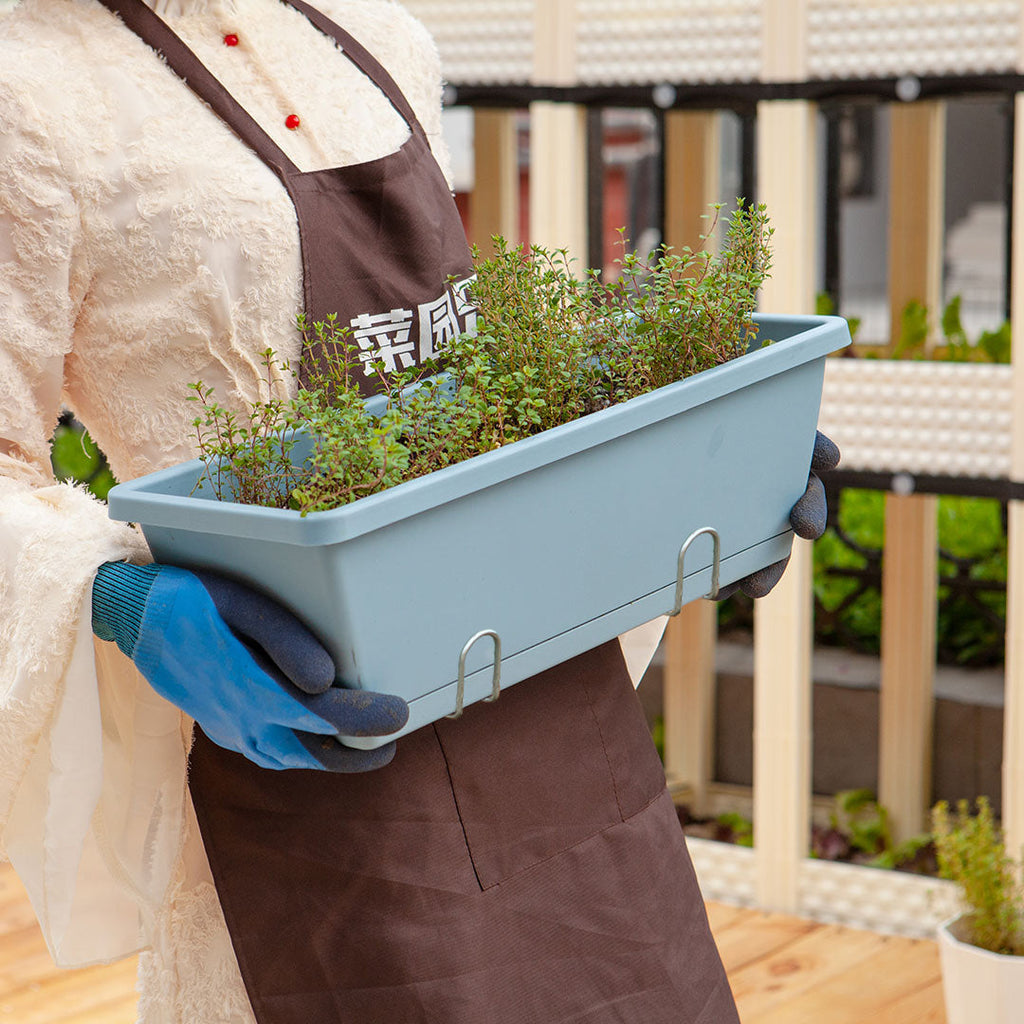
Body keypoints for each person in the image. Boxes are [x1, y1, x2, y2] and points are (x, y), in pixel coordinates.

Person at [0, 0, 837, 1020]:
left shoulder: (376, 38)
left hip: (542, 712)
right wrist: (124, 600)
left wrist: (698, 470)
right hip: (297, 733)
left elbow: (465, 395)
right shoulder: (29, 98)